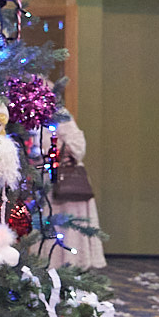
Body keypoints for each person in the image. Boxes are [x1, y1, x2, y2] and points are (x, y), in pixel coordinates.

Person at [43, 110, 105, 270]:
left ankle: (72, 264)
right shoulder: (31, 117)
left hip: (67, 180)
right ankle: (52, 265)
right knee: (53, 225)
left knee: (70, 226)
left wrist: (59, 149)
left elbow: (78, 148)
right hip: (46, 181)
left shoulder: (59, 115)